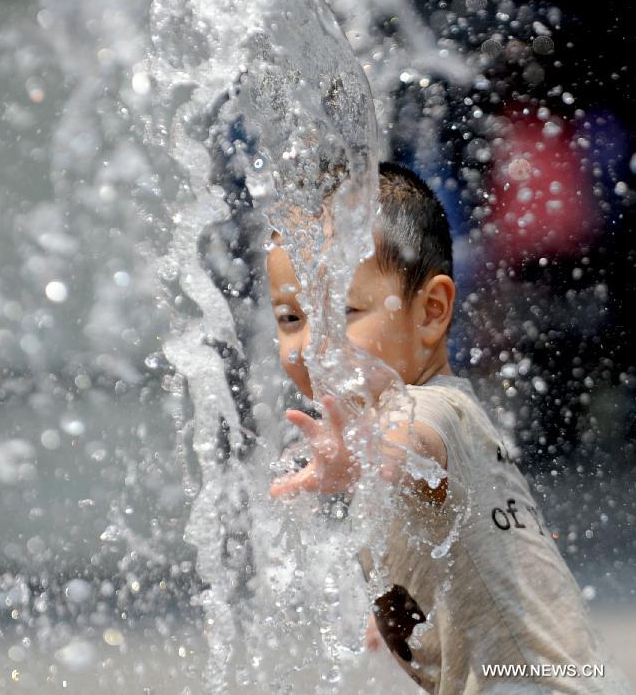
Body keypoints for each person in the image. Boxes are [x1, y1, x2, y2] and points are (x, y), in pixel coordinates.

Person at [266, 161, 633, 694]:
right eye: (291, 318)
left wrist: (369, 454)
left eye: (343, 310)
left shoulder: (426, 410)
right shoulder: (448, 412)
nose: (310, 345)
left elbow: (413, 441)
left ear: (432, 312)